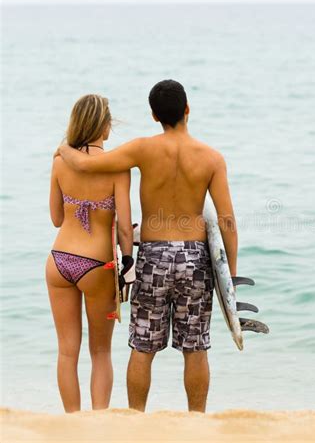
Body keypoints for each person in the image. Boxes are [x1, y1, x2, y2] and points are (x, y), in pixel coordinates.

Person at [58, 80, 238, 413]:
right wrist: (232, 279)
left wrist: (63, 149)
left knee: (142, 347)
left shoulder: (142, 149)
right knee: (195, 348)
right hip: (194, 258)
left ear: (154, 116)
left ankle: (135, 422)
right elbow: (227, 222)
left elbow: (84, 164)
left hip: (153, 256)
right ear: (187, 110)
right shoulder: (212, 158)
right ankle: (196, 421)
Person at [47, 94, 133, 412]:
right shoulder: (117, 168)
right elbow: (125, 227)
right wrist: (128, 262)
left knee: (67, 352)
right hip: (98, 265)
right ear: (104, 126)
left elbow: (57, 218)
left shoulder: (59, 162)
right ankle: (97, 425)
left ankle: (71, 423)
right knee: (101, 352)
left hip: (59, 261)